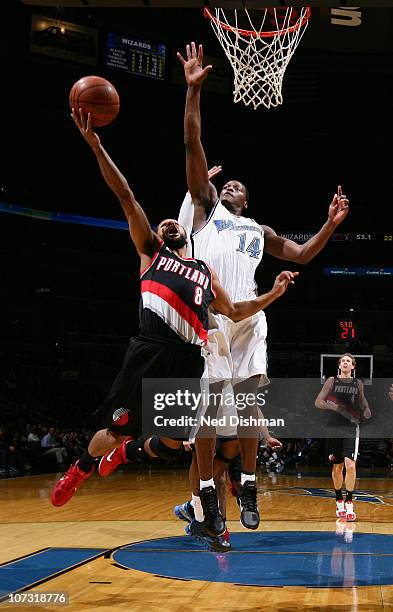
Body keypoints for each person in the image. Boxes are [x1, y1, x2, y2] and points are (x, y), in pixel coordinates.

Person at [50, 108, 298, 538]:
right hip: (149, 350)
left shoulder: (205, 270)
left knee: (189, 444)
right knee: (114, 430)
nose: (167, 223)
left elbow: (236, 312)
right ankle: (83, 467)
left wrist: (274, 294)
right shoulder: (151, 252)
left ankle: (202, 504)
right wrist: (96, 145)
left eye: (174, 221)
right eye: (163, 221)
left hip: (190, 359)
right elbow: (125, 194)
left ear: (187, 231)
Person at [176, 41, 350, 530]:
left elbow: (300, 255)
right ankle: (208, 492)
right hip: (212, 316)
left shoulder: (258, 230)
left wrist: (330, 225)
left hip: (251, 317)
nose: (229, 186)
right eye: (224, 184)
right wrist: (193, 93)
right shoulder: (205, 212)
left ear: (248, 198)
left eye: (237, 186)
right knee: (212, 409)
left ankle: (248, 485)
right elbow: (193, 146)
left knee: (251, 402)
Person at [315, 353, 371, 521]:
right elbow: (318, 402)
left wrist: (367, 410)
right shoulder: (331, 381)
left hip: (351, 427)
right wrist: (334, 408)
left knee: (351, 465)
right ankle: (338, 498)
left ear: (353, 366)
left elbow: (362, 401)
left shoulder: (358, 384)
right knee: (337, 467)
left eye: (348, 361)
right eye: (343, 361)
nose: (345, 363)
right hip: (333, 427)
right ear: (340, 366)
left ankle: (349, 501)